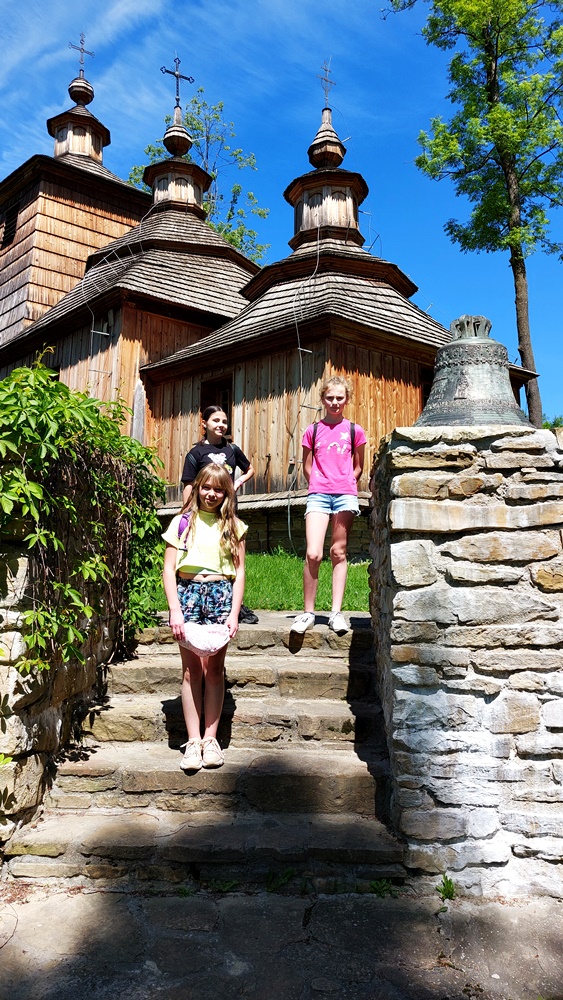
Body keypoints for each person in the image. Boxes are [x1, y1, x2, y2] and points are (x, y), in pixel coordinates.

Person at [162, 465, 247, 771]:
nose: (211, 494)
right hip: (187, 595)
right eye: (206, 487)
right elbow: (168, 569)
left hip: (220, 595)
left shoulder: (234, 526)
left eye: (219, 489)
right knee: (190, 671)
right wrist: (174, 608)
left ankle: (211, 739)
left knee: (214, 670)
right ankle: (193, 741)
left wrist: (234, 612)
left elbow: (239, 573)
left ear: (227, 493)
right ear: (197, 487)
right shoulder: (182, 522)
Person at [291, 375, 366, 637]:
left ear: (347, 400)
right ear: (323, 399)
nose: (335, 402)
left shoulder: (355, 430)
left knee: (338, 551)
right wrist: (318, 483)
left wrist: (346, 482)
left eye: (339, 398)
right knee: (313, 554)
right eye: (330, 397)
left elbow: (358, 466)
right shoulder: (312, 431)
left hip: (345, 495)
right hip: (319, 495)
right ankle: (308, 613)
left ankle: (335, 613)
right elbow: (307, 465)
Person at [181, 405, 258, 624]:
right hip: (203, 514)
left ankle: (234, 603)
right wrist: (187, 513)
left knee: (232, 556)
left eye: (224, 421)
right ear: (204, 423)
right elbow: (189, 485)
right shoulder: (196, 453)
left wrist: (238, 482)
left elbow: (250, 469)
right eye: (216, 420)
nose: (221, 425)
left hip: (228, 511)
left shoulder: (232, 450)